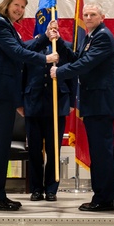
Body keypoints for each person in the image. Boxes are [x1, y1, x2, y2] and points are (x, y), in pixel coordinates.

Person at [0, 0, 58, 212]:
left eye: (23, 7)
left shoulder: (7, 26)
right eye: (17, 5)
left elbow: (23, 48)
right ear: (6, 4)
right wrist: (46, 58)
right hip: (0, 92)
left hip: (6, 93)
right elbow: (17, 52)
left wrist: (45, 36)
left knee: (3, 146)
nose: (20, 10)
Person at [50, 3, 114, 212]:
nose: (88, 17)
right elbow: (76, 58)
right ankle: (101, 195)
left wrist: (60, 72)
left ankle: (105, 198)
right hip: (93, 102)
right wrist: (59, 42)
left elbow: (86, 64)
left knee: (102, 153)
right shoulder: (90, 37)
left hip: (101, 103)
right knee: (98, 153)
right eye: (86, 14)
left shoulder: (103, 36)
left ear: (102, 17)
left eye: (93, 14)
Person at [24, 41, 72, 202]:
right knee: (34, 150)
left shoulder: (64, 46)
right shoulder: (29, 46)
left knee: (54, 150)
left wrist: (72, 102)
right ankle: (36, 188)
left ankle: (51, 189)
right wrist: (19, 102)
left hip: (56, 104)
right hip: (33, 103)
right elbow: (21, 74)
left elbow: (73, 73)